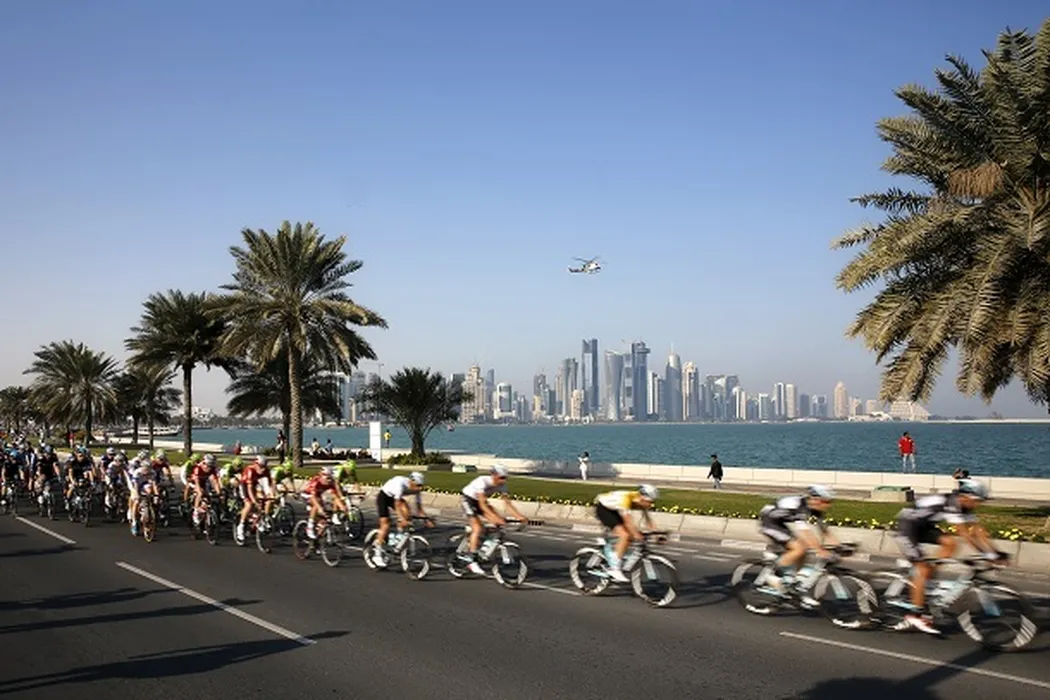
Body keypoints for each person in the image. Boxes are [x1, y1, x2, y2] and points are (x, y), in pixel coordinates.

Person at [893, 479, 1005, 634]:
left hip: (923, 526)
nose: (978, 504)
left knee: (950, 543)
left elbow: (978, 531)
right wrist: (987, 554)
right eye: (977, 500)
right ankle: (915, 615)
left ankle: (925, 581)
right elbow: (964, 533)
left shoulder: (964, 507)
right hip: (907, 527)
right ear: (966, 496)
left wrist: (996, 552)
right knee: (922, 569)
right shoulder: (953, 503)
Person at [757, 486, 840, 593]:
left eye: (830, 502)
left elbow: (825, 531)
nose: (828, 505)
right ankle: (771, 576)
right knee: (799, 548)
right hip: (768, 522)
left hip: (779, 522)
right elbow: (805, 532)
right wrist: (819, 550)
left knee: (804, 549)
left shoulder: (815, 509)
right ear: (814, 499)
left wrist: (839, 547)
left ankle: (791, 580)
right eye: (825, 501)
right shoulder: (800, 506)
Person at [459, 465, 530, 574]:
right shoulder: (482, 481)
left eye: (505, 478)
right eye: (501, 478)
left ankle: (479, 543)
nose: (503, 481)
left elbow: (508, 504)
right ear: (494, 475)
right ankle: (471, 560)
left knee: (497, 522)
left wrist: (519, 517)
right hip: (468, 500)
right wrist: (495, 518)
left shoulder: (503, 486)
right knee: (477, 528)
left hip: (480, 502)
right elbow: (483, 505)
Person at [593, 484, 659, 582]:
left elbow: (648, 519)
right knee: (625, 535)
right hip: (604, 508)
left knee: (630, 536)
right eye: (650, 502)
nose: (651, 505)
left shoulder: (640, 500)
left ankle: (615, 555)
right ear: (642, 498)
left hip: (614, 509)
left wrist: (656, 534)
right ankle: (614, 569)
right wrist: (637, 534)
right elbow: (628, 521)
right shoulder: (626, 499)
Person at [372, 471, 430, 567]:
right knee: (385, 524)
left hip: (395, 498)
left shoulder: (416, 489)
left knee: (407, 513)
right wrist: (401, 518)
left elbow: (419, 507)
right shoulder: (400, 485)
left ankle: (398, 539)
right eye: (418, 485)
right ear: (412, 481)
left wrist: (426, 519)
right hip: (384, 497)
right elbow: (397, 504)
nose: (420, 488)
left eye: (421, 486)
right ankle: (377, 554)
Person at [301, 466, 349, 539]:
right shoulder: (316, 481)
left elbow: (336, 496)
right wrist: (320, 508)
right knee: (317, 504)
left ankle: (317, 538)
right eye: (327, 478)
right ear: (321, 476)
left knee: (325, 517)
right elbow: (313, 497)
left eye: (330, 478)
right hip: (307, 495)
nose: (329, 481)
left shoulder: (331, 482)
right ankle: (310, 526)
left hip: (318, 495)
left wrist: (342, 507)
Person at [237, 456, 274, 541]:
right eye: (261, 466)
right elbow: (249, 489)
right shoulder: (250, 470)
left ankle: (259, 520)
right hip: (245, 486)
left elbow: (270, 485)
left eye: (264, 467)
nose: (263, 469)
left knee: (264, 500)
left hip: (255, 485)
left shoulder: (266, 471)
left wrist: (271, 496)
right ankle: (240, 526)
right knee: (249, 504)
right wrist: (254, 501)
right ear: (256, 465)